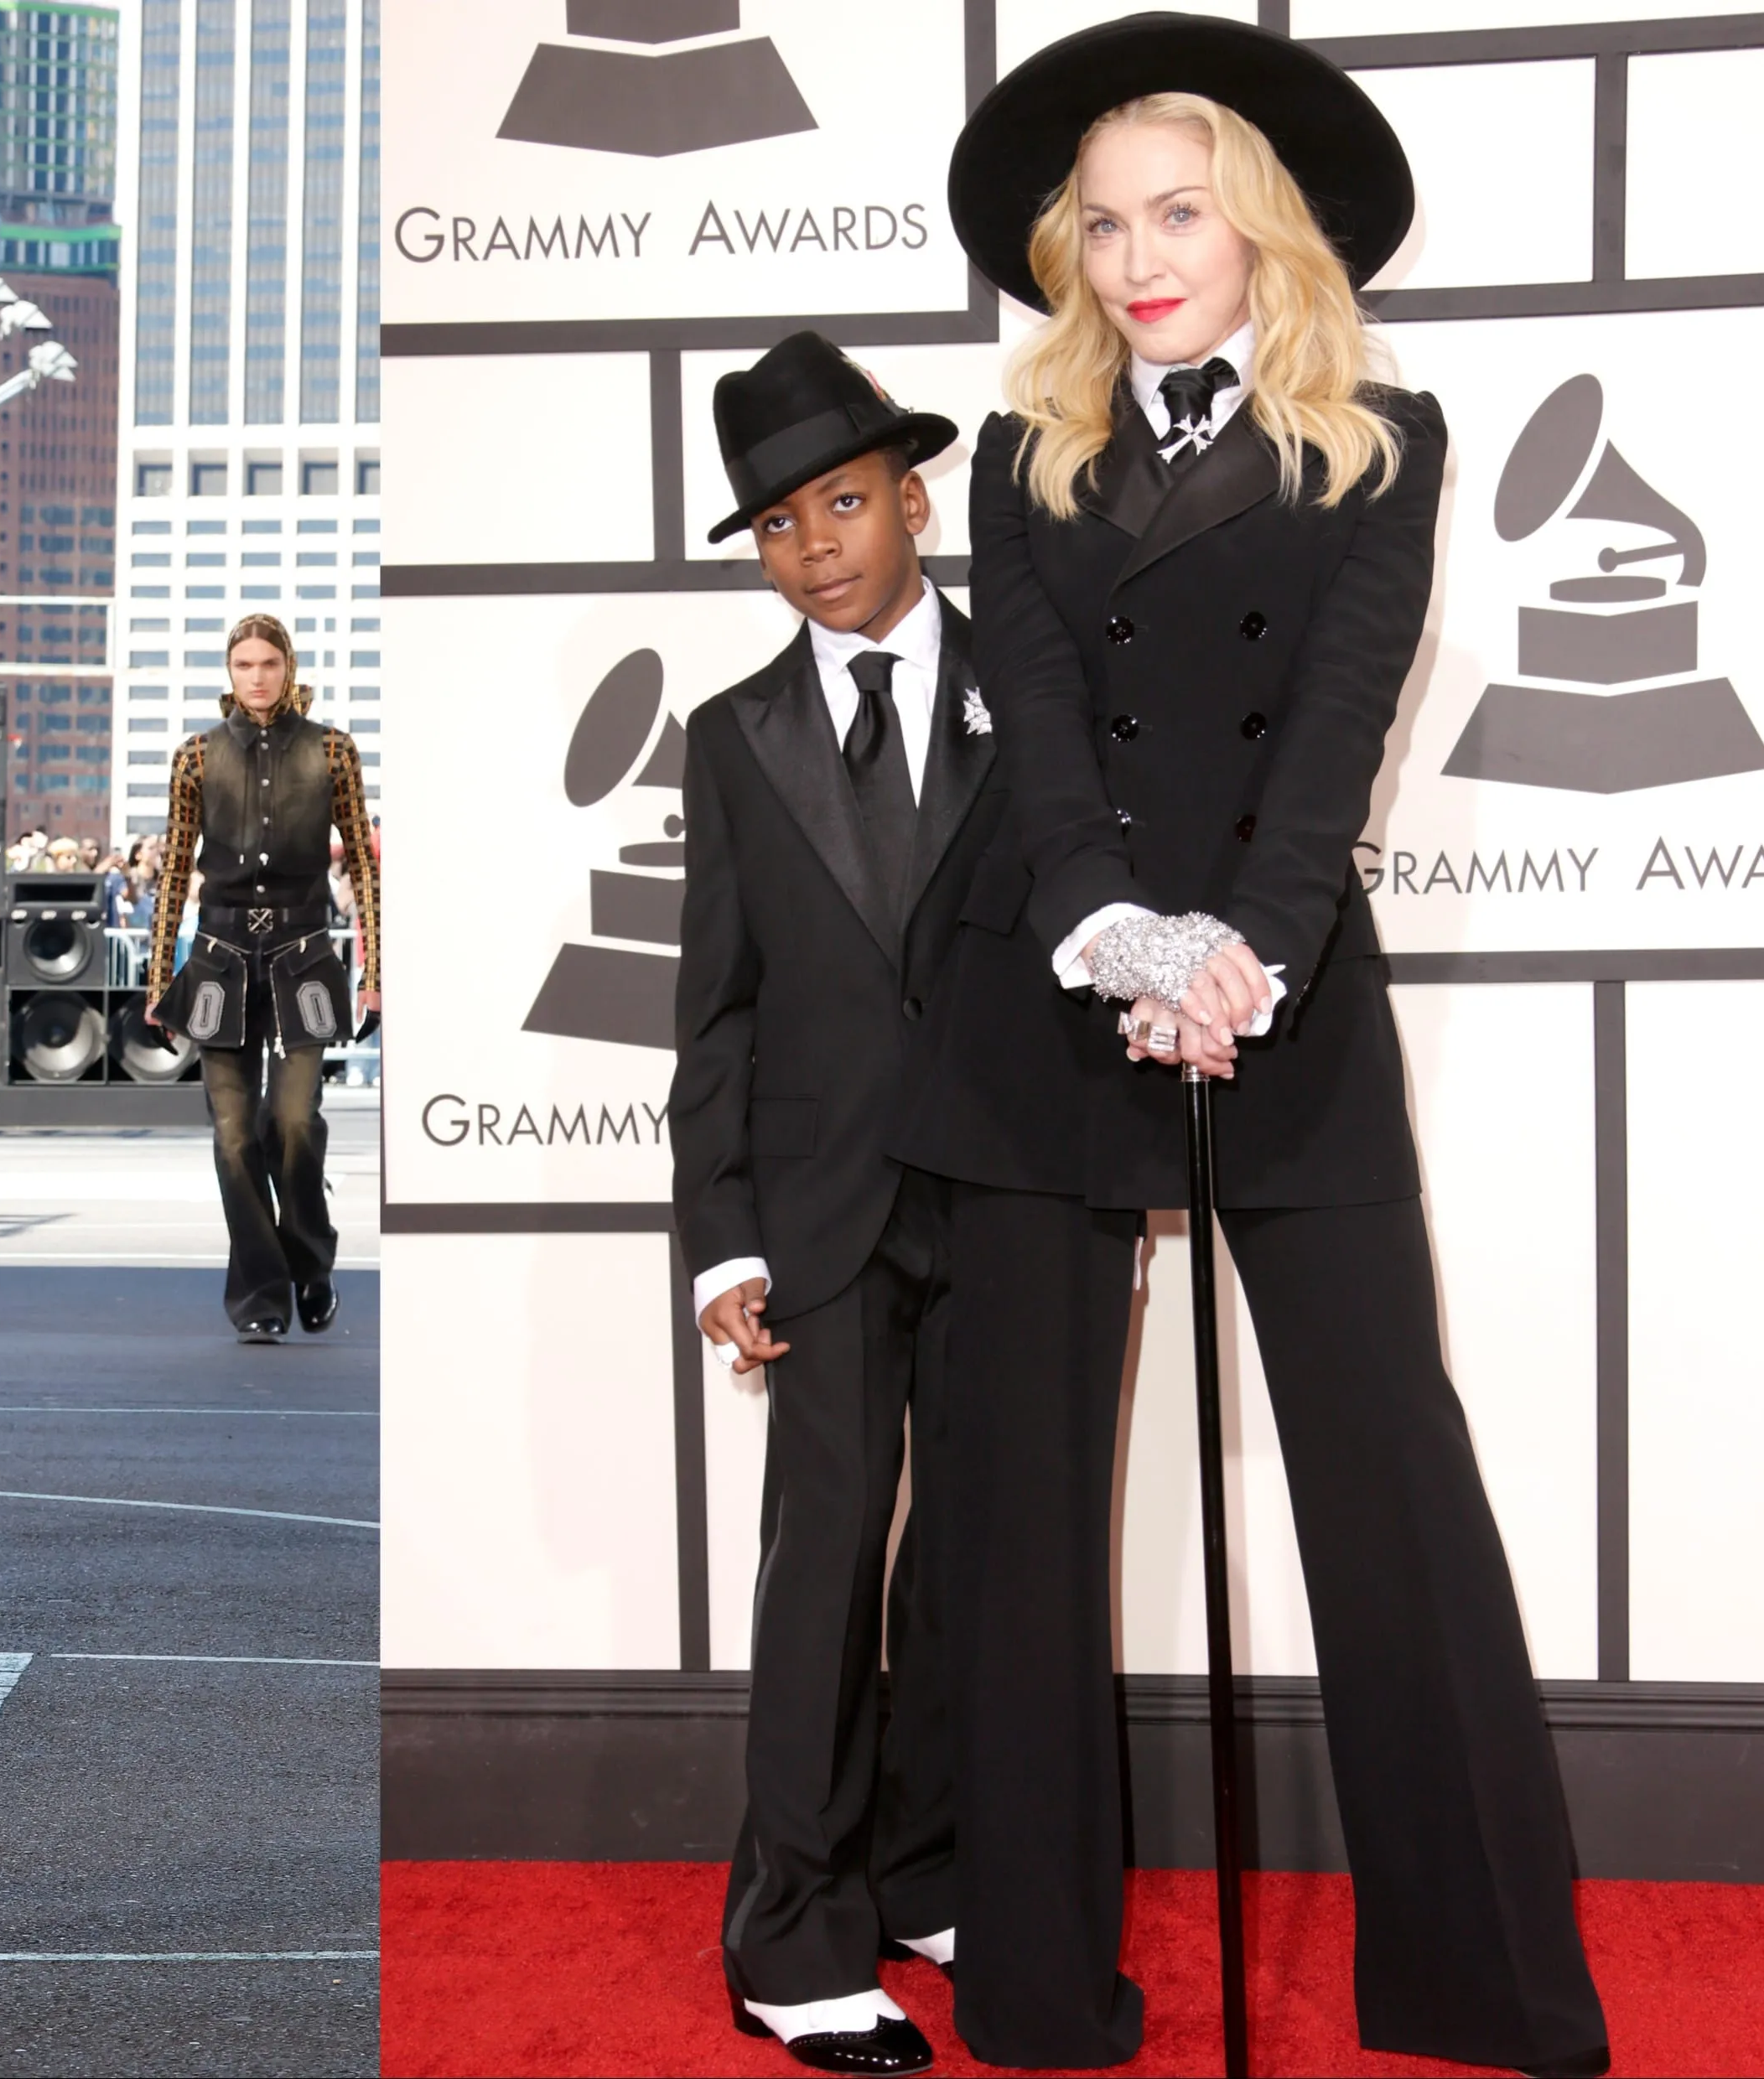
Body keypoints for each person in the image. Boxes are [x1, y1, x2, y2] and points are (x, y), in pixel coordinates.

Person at [899, 18, 1610, 2072]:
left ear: (1257, 227)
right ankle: (1040, 1992)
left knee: (1391, 1469)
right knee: (1021, 1522)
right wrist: (1116, 932)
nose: (1138, 257)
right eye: (1101, 224)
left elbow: (1342, 729)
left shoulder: (1384, 437)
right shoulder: (1024, 453)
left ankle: (1480, 1985)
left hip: (1278, 1001)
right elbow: (1036, 732)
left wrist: (1242, 950)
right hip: (1048, 1003)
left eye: (1178, 213)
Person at [668, 335, 1001, 2076]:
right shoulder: (729, 737)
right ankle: (788, 1930)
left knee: (968, 1565)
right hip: (814, 1218)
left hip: (1014, 1197)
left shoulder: (1029, 684)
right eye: (780, 524)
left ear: (911, 496)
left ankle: (921, 1870)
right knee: (822, 1575)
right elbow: (712, 1009)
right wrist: (720, 1234)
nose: (817, 545)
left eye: (846, 503)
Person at [145, 612, 380, 1341]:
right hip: (217, 959)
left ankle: (311, 1261)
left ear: (288, 667)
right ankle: (261, 1295)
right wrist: (159, 980)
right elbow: (175, 867)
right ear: (230, 670)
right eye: (243, 664)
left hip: (306, 953)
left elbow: (366, 863)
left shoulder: (334, 751)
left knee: (295, 1120)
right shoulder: (195, 757)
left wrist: (378, 969)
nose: (256, 676)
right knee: (233, 1135)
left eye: (268, 663)